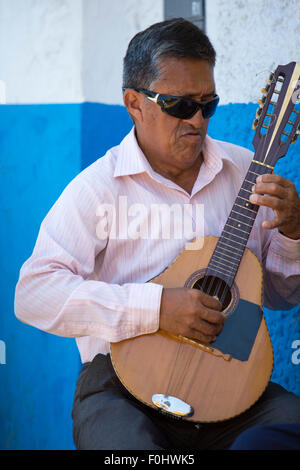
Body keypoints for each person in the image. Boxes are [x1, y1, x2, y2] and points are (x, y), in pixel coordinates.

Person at [14, 18, 300, 450]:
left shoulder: (248, 172)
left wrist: (293, 233)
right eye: (180, 106)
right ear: (134, 103)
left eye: (209, 104)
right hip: (121, 385)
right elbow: (34, 293)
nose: (198, 120)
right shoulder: (98, 188)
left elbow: (280, 295)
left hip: (230, 383)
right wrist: (156, 307)